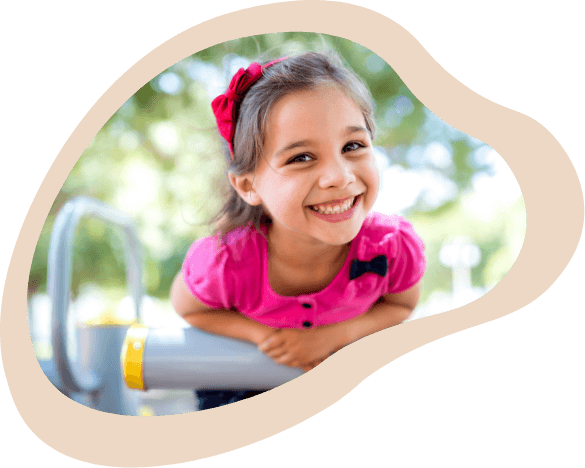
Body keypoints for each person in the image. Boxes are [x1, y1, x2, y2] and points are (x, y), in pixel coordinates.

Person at [170, 51, 426, 410]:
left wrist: (333, 337)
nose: (339, 176)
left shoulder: (392, 247)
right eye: (301, 157)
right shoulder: (224, 261)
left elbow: (402, 305)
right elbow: (191, 309)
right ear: (247, 186)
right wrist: (266, 337)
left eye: (352, 146)